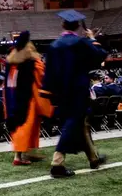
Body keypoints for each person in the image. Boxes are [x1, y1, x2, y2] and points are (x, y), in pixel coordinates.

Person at [42, 10, 108, 178]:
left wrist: (49, 92)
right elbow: (101, 55)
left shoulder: (54, 46)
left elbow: (48, 72)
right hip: (77, 90)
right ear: (78, 26)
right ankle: (57, 162)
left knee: (79, 123)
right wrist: (92, 38)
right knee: (73, 123)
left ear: (62, 24)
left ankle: (93, 158)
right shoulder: (80, 42)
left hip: (60, 92)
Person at [4, 31, 53, 165]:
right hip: (27, 97)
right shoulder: (30, 60)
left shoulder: (11, 57)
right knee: (25, 125)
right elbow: (41, 74)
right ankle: (18, 157)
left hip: (13, 96)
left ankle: (28, 152)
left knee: (26, 125)